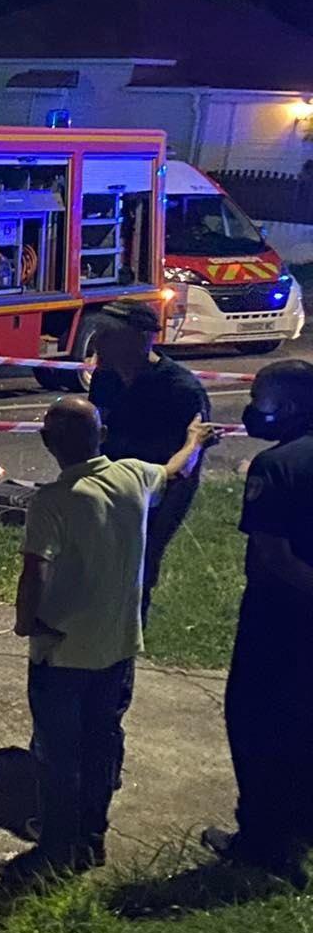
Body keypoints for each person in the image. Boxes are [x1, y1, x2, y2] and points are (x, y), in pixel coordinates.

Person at [0, 396, 219, 880]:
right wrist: (193, 442)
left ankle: (51, 852)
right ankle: (90, 841)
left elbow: (35, 572)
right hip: (118, 646)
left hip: (63, 649)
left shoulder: (51, 501)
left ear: (49, 443)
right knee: (102, 744)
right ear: (103, 436)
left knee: (57, 755)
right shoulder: (132, 475)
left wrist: (27, 622)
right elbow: (173, 472)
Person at [203, 359, 313, 883]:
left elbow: (273, 558)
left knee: (257, 723)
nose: (252, 411)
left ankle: (263, 843)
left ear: (287, 408)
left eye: (260, 400)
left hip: (280, 619)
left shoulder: (277, 466)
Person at [88, 300, 210, 620]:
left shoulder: (180, 389)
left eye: (108, 335)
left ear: (142, 339)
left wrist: (159, 524)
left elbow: (188, 465)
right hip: (111, 491)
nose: (98, 343)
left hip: (156, 497)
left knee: (139, 572)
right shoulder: (105, 380)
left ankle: (126, 644)